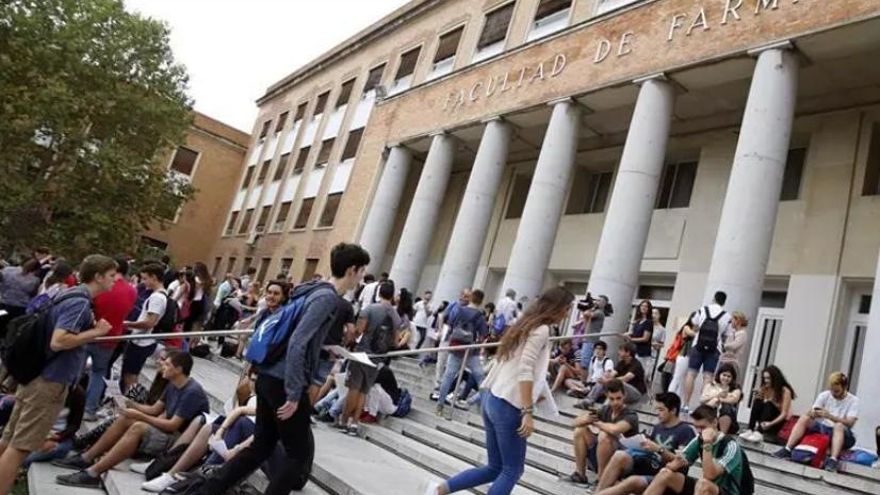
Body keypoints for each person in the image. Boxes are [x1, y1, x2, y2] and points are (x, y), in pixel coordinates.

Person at [194, 243, 370, 495]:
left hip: (271, 376)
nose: (362, 277)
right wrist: (295, 392)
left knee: (261, 447)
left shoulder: (313, 290)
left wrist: (324, 349)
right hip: (283, 382)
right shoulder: (327, 298)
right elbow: (298, 341)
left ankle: (206, 491)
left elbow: (301, 339)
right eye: (362, 271)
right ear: (352, 270)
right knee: (298, 457)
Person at [423, 287, 574, 495]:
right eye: (567, 308)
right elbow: (525, 368)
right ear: (557, 308)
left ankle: (439, 490)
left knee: (495, 468)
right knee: (512, 470)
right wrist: (528, 412)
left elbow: (512, 364)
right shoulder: (542, 329)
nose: (567, 313)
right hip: (508, 404)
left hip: (493, 397)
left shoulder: (525, 325)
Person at [0, 255, 116, 495]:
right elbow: (59, 340)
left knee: (9, 439)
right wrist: (95, 332)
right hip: (48, 381)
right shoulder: (80, 302)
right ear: (98, 276)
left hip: (36, 375)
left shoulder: (66, 293)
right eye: (112, 276)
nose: (116, 281)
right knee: (20, 447)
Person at [54, 350, 210, 487]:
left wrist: (139, 415)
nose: (163, 366)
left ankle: (93, 473)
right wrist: (129, 403)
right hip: (169, 432)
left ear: (179, 369)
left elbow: (172, 425)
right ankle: (86, 458)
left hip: (179, 442)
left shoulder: (191, 392)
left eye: (167, 365)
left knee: (137, 426)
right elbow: (154, 409)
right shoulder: (172, 384)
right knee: (126, 417)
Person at [592, 392, 695, 495]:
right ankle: (598, 491)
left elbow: (683, 463)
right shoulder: (658, 427)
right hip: (650, 466)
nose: (657, 413)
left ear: (673, 410)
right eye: (657, 409)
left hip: (667, 475)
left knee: (633, 481)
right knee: (619, 455)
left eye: (661, 410)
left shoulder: (686, 431)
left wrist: (659, 449)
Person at [642, 405, 747, 495]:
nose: (699, 431)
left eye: (703, 427)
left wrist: (707, 443)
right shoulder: (698, 440)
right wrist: (674, 463)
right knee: (665, 473)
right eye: (696, 427)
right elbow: (674, 464)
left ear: (715, 423)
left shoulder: (731, 446)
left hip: (726, 492)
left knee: (703, 484)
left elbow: (709, 475)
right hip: (706, 488)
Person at [340, 280, 401, 434]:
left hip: (363, 352)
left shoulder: (370, 309)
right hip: (378, 356)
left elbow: (359, 330)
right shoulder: (395, 316)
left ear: (379, 291)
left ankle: (344, 421)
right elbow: (395, 341)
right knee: (364, 391)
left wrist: (349, 340)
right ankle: (354, 423)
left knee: (353, 388)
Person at [84, 255, 137, 420]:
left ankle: (68, 402)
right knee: (99, 372)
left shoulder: (100, 286)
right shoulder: (131, 291)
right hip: (111, 337)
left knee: (76, 369)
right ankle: (89, 409)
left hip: (88, 333)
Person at [772, 371, 859, 472]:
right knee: (805, 418)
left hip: (844, 435)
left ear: (845, 387)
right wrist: (813, 413)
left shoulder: (853, 401)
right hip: (824, 428)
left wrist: (830, 416)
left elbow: (850, 423)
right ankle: (787, 449)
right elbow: (811, 412)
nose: (834, 394)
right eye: (832, 390)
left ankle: (833, 460)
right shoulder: (824, 395)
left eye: (837, 391)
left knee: (839, 425)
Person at [569, 379, 640, 486]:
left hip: (623, 461)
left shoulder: (631, 415)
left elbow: (615, 429)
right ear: (607, 396)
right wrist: (586, 419)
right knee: (580, 430)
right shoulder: (606, 409)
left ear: (624, 396)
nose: (615, 402)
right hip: (603, 456)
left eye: (618, 398)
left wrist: (596, 423)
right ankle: (580, 474)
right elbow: (573, 423)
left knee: (604, 435)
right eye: (612, 399)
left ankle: (601, 480)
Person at [436, 289, 488, 415]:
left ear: (471, 298)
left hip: (456, 348)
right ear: (481, 301)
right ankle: (481, 405)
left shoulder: (459, 310)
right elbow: (483, 334)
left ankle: (440, 405)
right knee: (482, 378)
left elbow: (451, 324)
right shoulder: (480, 315)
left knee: (448, 377)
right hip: (471, 351)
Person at [121, 263, 168, 393]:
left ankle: (132, 403)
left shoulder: (157, 298)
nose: (143, 282)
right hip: (140, 340)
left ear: (154, 278)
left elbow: (149, 322)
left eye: (145, 278)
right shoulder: (158, 296)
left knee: (130, 376)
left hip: (141, 342)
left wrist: (127, 324)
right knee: (129, 375)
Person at [682, 292, 732, 415]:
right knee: (708, 377)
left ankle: (686, 405)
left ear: (714, 299)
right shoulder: (727, 316)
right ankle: (703, 406)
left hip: (697, 346)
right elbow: (727, 335)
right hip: (715, 349)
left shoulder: (703, 309)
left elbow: (694, 324)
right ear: (724, 302)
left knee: (691, 374)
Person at [577, 342, 646, 408]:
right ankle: (588, 401)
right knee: (604, 380)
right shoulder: (621, 363)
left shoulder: (636, 364)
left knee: (618, 383)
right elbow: (612, 374)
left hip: (636, 394)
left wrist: (609, 380)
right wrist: (604, 378)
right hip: (622, 391)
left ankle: (604, 408)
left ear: (628, 353)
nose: (618, 353)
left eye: (621, 351)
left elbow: (626, 378)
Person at [739, 365, 795, 443]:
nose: (766, 380)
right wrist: (758, 396)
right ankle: (750, 429)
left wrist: (770, 424)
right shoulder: (766, 388)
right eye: (764, 378)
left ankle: (759, 432)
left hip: (777, 422)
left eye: (768, 378)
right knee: (758, 401)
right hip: (765, 421)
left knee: (769, 404)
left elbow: (784, 414)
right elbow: (759, 406)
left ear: (775, 378)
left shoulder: (785, 390)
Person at [0, 258, 42, 337]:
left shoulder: (8, 270)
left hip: (4, 303)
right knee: (11, 331)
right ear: (36, 269)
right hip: (20, 309)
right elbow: (33, 294)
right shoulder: (35, 280)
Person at [700, 363, 742, 434]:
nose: (726, 378)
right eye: (724, 375)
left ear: (732, 378)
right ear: (719, 375)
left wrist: (719, 399)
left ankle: (722, 434)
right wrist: (717, 395)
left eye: (729, 376)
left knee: (726, 406)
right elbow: (702, 399)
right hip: (710, 414)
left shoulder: (735, 389)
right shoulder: (711, 385)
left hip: (727, 418)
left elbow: (733, 400)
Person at [576, 295, 610, 377]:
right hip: (587, 339)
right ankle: (582, 381)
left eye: (599, 301)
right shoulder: (595, 311)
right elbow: (585, 319)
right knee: (579, 359)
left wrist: (590, 306)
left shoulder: (599, 313)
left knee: (584, 364)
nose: (597, 302)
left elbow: (587, 314)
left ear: (604, 304)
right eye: (597, 300)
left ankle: (583, 384)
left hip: (590, 340)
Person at [624, 300, 654, 373]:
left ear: (649, 309)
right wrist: (627, 334)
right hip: (635, 350)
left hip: (642, 352)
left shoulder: (649, 322)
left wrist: (631, 339)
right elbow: (634, 332)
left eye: (646, 306)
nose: (643, 307)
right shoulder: (638, 321)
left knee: (638, 372)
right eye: (642, 306)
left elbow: (645, 338)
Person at [719, 312, 748, 378]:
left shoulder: (742, 334)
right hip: (724, 360)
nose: (730, 322)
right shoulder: (732, 332)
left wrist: (724, 345)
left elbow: (734, 346)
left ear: (738, 321)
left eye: (732, 320)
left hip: (732, 362)